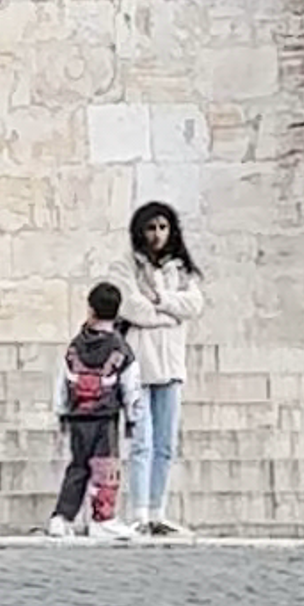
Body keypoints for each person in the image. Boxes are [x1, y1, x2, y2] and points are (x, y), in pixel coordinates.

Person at [123, 199, 200, 531]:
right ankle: (139, 511)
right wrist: (170, 314)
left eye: (163, 227)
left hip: (171, 365)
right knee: (142, 442)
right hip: (140, 363)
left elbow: (194, 305)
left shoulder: (181, 270)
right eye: (151, 228)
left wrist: (162, 301)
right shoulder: (126, 265)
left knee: (165, 443)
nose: (157, 234)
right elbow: (132, 308)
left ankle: (157, 511)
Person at [49, 277, 131, 537]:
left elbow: (62, 379)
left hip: (77, 415)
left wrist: (61, 410)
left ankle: (62, 517)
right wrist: (134, 416)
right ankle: (102, 517)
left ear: (91, 309)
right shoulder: (120, 347)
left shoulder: (75, 345)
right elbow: (132, 384)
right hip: (105, 415)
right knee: (105, 467)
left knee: (78, 467)